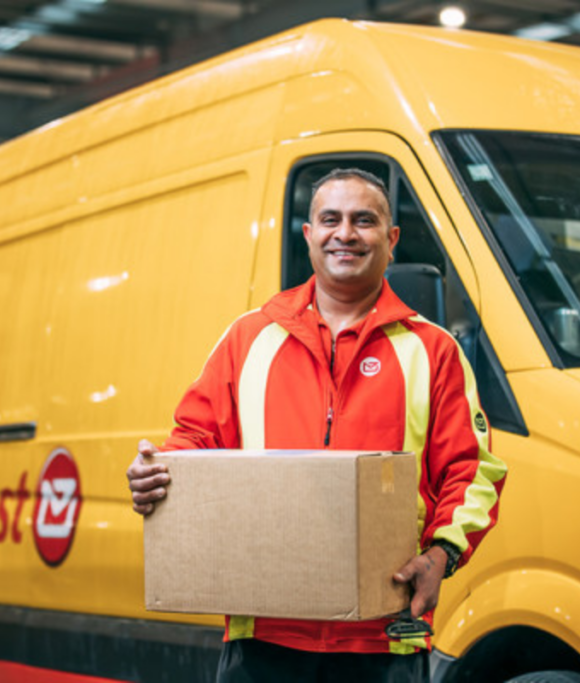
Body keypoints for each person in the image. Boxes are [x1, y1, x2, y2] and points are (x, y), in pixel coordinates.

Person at [127, 168, 507, 682]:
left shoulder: (433, 350)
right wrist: (156, 473)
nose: (345, 233)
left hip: (385, 636)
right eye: (330, 219)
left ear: (391, 239)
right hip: (263, 637)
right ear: (309, 235)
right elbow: (193, 442)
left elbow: (473, 470)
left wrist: (445, 552)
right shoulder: (249, 339)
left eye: (363, 220)